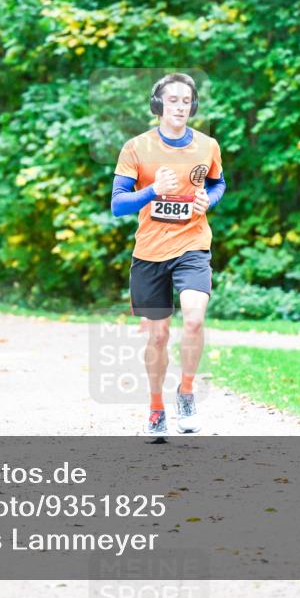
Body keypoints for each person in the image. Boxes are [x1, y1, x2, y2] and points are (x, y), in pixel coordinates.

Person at [111, 73, 227, 438]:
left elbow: (218, 183)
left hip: (193, 244)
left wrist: (210, 199)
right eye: (172, 100)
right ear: (158, 104)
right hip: (149, 252)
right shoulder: (136, 148)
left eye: (186, 101)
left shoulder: (207, 146)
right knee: (158, 336)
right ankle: (156, 408)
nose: (179, 107)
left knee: (194, 319)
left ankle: (187, 392)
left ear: (193, 106)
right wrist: (152, 191)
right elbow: (117, 204)